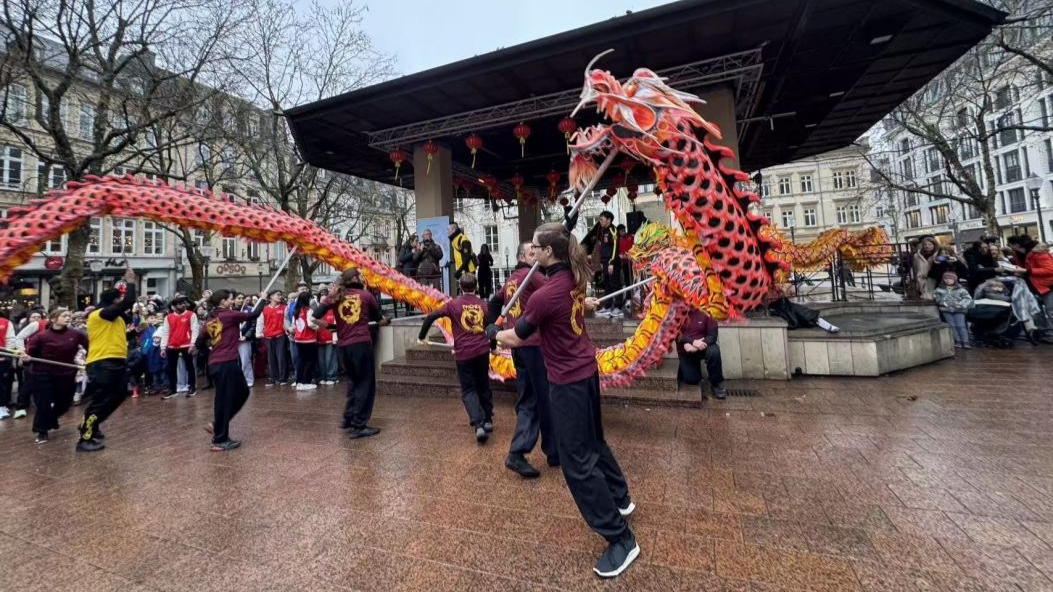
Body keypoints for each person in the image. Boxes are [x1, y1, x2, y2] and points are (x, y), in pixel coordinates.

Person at [493, 223, 639, 579]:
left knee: (577, 463)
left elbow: (517, 337)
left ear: (548, 252)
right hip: (585, 371)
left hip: (567, 381)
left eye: (536, 247)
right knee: (594, 442)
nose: (531, 251)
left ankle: (620, 539)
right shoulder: (574, 277)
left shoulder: (545, 294)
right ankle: (620, 499)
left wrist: (492, 334)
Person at [488, 241, 558, 477]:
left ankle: (537, 451)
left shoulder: (511, 280)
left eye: (536, 251)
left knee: (529, 398)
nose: (535, 255)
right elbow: (557, 293)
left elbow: (494, 302)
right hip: (534, 345)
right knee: (543, 399)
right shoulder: (533, 276)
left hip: (518, 346)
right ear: (521, 257)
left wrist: (494, 328)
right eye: (531, 252)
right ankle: (545, 451)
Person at [312, 268, 388, 439]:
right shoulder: (366, 296)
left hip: (343, 346)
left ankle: (348, 418)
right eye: (359, 275)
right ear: (354, 278)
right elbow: (378, 318)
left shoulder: (335, 296)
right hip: (361, 344)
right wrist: (384, 321)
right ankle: (359, 425)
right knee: (365, 384)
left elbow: (315, 315)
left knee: (354, 382)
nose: (361, 277)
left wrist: (333, 326)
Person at [419, 273, 493, 443]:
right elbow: (492, 327)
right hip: (482, 350)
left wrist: (422, 336)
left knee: (468, 389)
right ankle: (488, 419)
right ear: (476, 287)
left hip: (463, 353)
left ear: (460, 287)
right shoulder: (484, 304)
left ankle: (478, 424)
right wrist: (494, 347)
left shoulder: (453, 304)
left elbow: (431, 317)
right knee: (483, 384)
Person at [76, 267, 138, 452]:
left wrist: (135, 332)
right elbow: (128, 302)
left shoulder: (114, 319)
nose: (121, 303)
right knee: (102, 400)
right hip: (102, 362)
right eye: (119, 300)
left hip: (116, 360)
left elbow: (118, 336)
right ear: (114, 301)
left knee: (120, 394)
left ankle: (90, 424)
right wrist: (130, 282)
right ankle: (85, 437)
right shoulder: (100, 314)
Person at [203, 290, 266, 451]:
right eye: (230, 299)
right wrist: (262, 299)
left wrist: (196, 346)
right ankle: (219, 439)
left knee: (239, 393)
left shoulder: (212, 317)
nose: (232, 302)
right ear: (223, 301)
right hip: (225, 362)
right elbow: (253, 315)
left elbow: (202, 337)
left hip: (217, 362)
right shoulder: (228, 315)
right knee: (226, 399)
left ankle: (218, 427)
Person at [22, 308, 87, 444]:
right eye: (64, 316)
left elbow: (90, 346)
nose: (68, 318)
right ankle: (41, 431)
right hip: (43, 373)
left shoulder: (76, 335)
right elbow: (30, 354)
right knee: (44, 403)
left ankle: (50, 419)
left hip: (66, 373)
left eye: (69, 316)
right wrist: (26, 359)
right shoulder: (41, 336)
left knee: (64, 404)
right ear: (53, 319)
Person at [676, 307, 728, 398]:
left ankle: (716, 384)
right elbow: (674, 334)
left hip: (703, 347)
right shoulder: (677, 311)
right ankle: (686, 368)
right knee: (692, 380)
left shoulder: (708, 311)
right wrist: (691, 342)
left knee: (714, 352)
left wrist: (696, 346)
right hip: (686, 349)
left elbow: (713, 336)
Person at [159, 295, 199, 399]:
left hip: (186, 344)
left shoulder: (191, 315)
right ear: (174, 306)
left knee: (189, 367)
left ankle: (192, 387)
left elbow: (195, 330)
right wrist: (163, 347)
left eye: (184, 303)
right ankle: (173, 389)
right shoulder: (168, 317)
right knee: (171, 368)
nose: (183, 305)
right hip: (172, 345)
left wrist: (192, 344)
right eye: (180, 304)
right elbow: (165, 332)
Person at [11, 309, 46, 418]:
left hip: (45, 359)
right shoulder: (35, 326)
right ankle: (21, 406)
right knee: (29, 382)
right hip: (30, 358)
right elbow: (19, 337)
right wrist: (22, 353)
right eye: (33, 317)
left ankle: (41, 404)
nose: (36, 319)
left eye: (38, 317)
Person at [590, 212, 622, 317]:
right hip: (605, 262)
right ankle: (607, 306)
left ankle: (618, 307)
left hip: (612, 262)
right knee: (607, 284)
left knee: (615, 284)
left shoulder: (613, 230)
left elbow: (615, 248)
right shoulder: (603, 230)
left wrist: (611, 262)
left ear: (608, 220)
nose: (600, 221)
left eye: (601, 219)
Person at [257, 290, 290, 386]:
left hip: (280, 335)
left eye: (280, 295)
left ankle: (283, 378)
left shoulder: (284, 308)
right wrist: (258, 333)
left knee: (281, 357)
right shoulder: (264, 309)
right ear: (271, 297)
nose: (280, 296)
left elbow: (286, 321)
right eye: (278, 295)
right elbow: (260, 322)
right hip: (268, 336)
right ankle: (272, 378)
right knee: (271, 358)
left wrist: (288, 331)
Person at [934, 271, 974, 348]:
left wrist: (960, 305)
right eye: (946, 278)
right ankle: (957, 341)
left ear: (955, 280)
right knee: (952, 326)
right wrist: (943, 302)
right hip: (946, 310)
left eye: (950, 279)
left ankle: (966, 342)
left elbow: (968, 298)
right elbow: (937, 298)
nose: (948, 280)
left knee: (961, 325)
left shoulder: (961, 289)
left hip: (959, 310)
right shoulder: (939, 289)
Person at [291, 291, 319, 391]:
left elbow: (294, 325)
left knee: (301, 361)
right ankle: (306, 382)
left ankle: (299, 382)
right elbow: (310, 324)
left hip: (298, 339)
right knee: (309, 362)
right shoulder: (309, 310)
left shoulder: (296, 311)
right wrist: (317, 327)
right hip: (309, 339)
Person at [316, 292, 339, 385]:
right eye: (322, 300)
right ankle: (323, 377)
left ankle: (332, 377)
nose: (324, 302)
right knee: (321, 360)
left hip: (330, 338)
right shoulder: (316, 312)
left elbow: (335, 324)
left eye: (326, 300)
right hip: (319, 339)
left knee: (330, 359)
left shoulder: (333, 311)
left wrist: (334, 336)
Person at [0, 311, 18, 420]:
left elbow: (10, 340)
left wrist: (6, 355)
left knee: (2, 384)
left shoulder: (6, 322)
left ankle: (1, 406)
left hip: (1, 358)